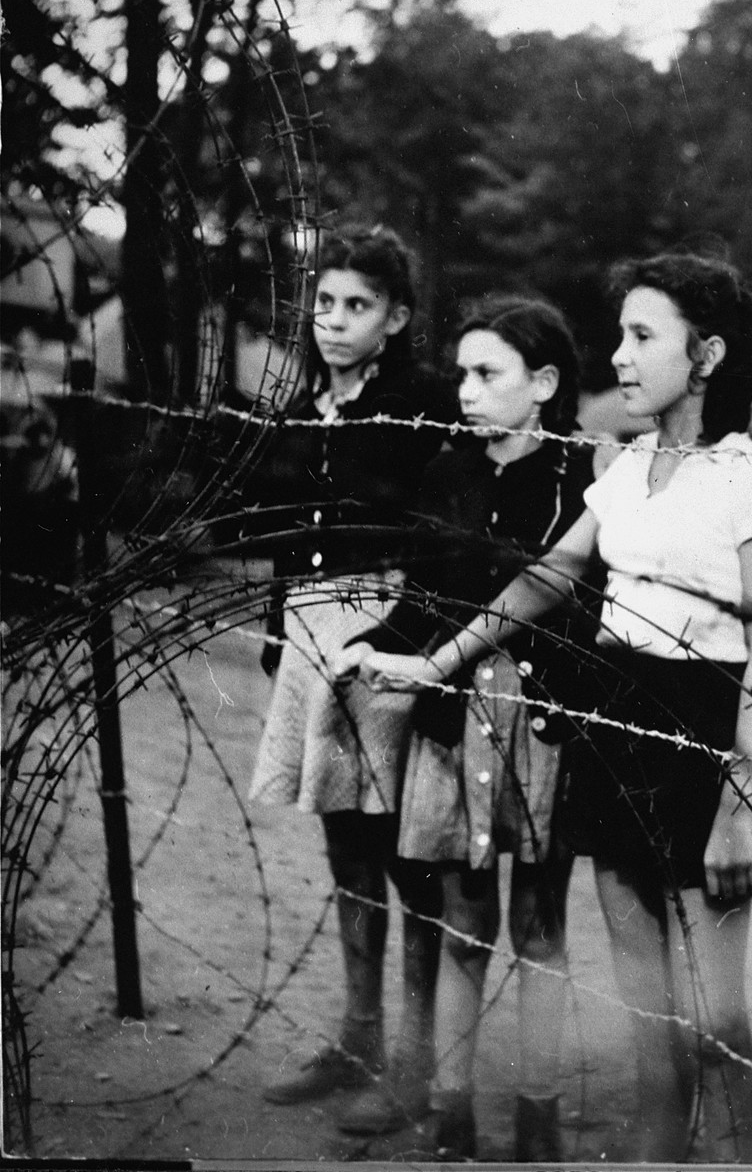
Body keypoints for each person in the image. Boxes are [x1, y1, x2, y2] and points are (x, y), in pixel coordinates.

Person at [357, 253, 752, 1162]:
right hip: (614, 727)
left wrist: (740, 809)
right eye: (619, 338)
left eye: (642, 338)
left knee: (719, 1014)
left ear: (705, 355)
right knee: (647, 1010)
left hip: (705, 740)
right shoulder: (626, 469)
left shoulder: (745, 472)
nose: (620, 359)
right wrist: (437, 662)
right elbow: (543, 582)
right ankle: (662, 1151)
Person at [337, 296, 597, 1159]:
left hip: (542, 723)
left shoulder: (580, 478)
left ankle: (538, 1111)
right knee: (462, 917)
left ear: (546, 383)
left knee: (540, 922)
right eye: (461, 373)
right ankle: (453, 1107)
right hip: (454, 725)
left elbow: (567, 603)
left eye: (489, 374)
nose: (467, 390)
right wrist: (370, 648)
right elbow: (421, 596)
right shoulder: (449, 469)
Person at [247, 223, 457, 1133]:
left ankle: (414, 1059)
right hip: (309, 630)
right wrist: (277, 632)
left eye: (357, 306)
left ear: (396, 317)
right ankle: (357, 1034)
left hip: (387, 629)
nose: (334, 322)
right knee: (343, 839)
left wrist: (393, 637)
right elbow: (283, 535)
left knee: (403, 846)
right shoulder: (299, 410)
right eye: (324, 304)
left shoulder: (418, 408)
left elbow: (439, 538)